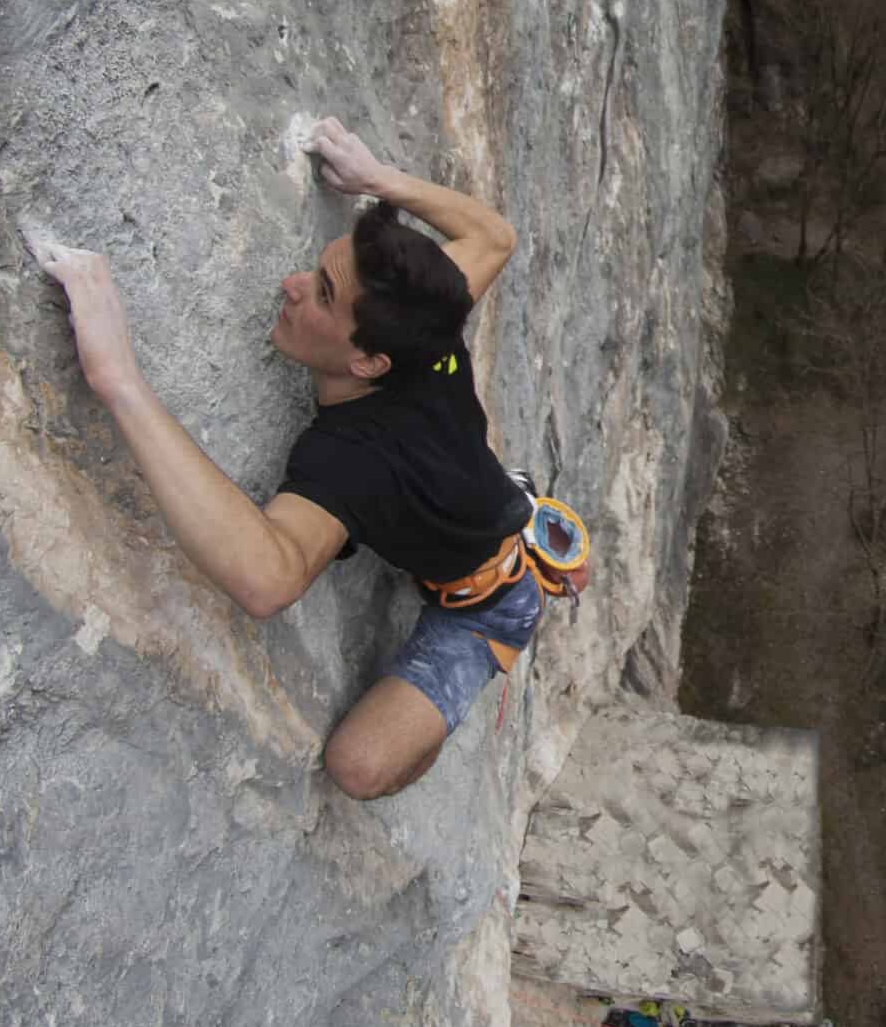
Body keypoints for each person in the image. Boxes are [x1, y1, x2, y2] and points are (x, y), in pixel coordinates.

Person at [43, 116, 580, 799]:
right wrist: (374, 178)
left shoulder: (352, 460)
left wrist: (119, 378)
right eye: (319, 270)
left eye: (323, 293)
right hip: (476, 494)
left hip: (487, 604)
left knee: (357, 766)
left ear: (368, 359)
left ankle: (508, 604)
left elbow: (269, 576)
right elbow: (492, 237)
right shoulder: (429, 327)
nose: (292, 284)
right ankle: (511, 504)